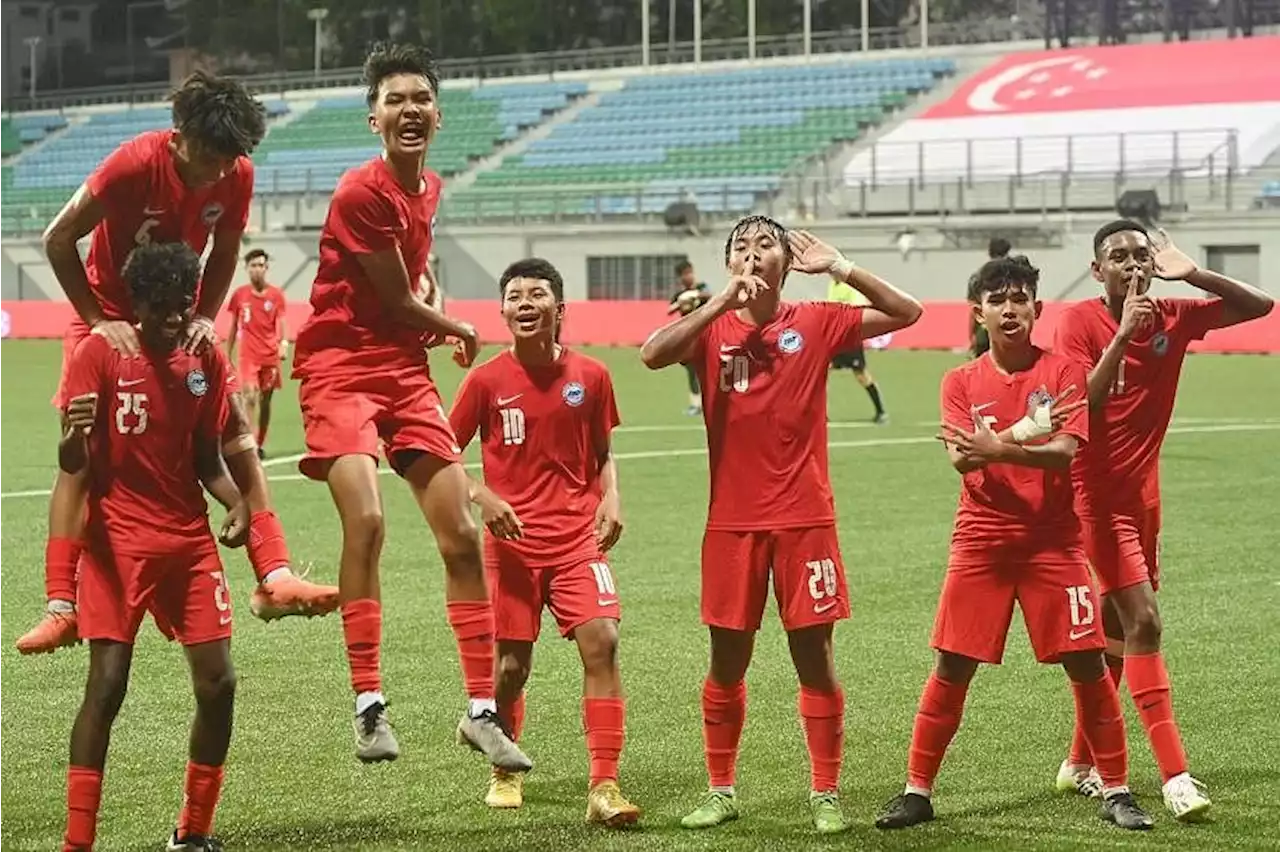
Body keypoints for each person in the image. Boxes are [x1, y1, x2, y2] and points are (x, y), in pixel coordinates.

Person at [16, 70, 335, 657]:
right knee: (81, 452)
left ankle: (274, 574)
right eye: (210, 155)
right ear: (179, 134)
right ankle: (62, 605)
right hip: (110, 316)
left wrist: (206, 318)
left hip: (177, 317)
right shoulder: (131, 165)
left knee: (236, 430)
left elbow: (228, 248)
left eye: (230, 159)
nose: (219, 171)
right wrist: (95, 319)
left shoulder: (236, 173)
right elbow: (59, 238)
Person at [640, 216, 923, 834]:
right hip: (732, 525)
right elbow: (652, 355)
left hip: (805, 519)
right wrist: (720, 302)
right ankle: (721, 789)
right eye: (740, 247)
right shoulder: (711, 327)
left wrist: (841, 268)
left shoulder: (817, 323)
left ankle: (825, 792)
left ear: (787, 263)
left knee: (814, 660)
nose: (753, 253)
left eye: (764, 245)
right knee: (726, 661)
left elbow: (908, 313)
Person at [290, 41, 529, 771]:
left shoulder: (429, 189)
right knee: (366, 519)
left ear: (439, 113)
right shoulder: (360, 191)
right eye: (395, 100)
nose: (410, 110)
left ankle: (482, 712)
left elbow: (412, 280)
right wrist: (454, 326)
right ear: (374, 120)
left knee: (459, 531)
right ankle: (369, 707)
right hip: (338, 367)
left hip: (400, 367)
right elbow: (394, 297)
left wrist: (435, 307)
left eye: (421, 98)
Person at [874, 255, 1152, 832]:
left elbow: (1064, 453)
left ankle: (1118, 789)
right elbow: (958, 457)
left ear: (1036, 309)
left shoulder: (1064, 373)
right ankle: (917, 791)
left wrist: (996, 448)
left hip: (1054, 542)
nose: (1009, 308)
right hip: (981, 541)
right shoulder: (959, 381)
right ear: (978, 312)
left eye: (1019, 298)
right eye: (997, 299)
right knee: (952, 664)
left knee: (1087, 664)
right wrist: (1012, 442)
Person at [57, 242, 275, 852]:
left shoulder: (202, 361)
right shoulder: (98, 354)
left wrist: (235, 500)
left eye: (184, 304)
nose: (175, 317)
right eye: (162, 306)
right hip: (116, 545)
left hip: (187, 543)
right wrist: (73, 435)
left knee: (219, 684)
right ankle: (78, 842)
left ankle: (194, 832)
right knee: (107, 686)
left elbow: (207, 458)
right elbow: (74, 462)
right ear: (138, 302)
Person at [1052, 221, 1273, 820]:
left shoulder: (1174, 314)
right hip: (1092, 498)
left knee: (1116, 626)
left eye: (1140, 255)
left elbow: (1260, 307)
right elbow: (1078, 404)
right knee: (1145, 620)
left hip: (1144, 499)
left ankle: (1079, 762)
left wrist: (1193, 271)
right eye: (1117, 258)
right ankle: (1175, 776)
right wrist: (1123, 336)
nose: (1132, 265)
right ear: (1098, 272)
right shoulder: (1077, 324)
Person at [449, 257, 641, 827]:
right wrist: (484, 498)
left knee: (603, 640)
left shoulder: (593, 376)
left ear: (561, 309)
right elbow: (441, 457)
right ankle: (503, 767)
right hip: (510, 547)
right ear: (503, 311)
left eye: (537, 294)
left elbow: (603, 453)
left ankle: (604, 785)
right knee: (510, 668)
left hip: (579, 539)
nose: (525, 303)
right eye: (514, 295)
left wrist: (612, 497)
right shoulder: (484, 381)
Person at [226, 249, 287, 459]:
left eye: (261, 265)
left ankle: (260, 441)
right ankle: (249, 441)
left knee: (265, 402)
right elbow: (233, 326)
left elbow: (280, 321)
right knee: (249, 396)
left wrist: (283, 343)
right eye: (253, 265)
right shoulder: (240, 295)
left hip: (269, 356)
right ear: (247, 268)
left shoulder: (276, 295)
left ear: (266, 268)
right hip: (248, 356)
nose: (257, 270)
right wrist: (228, 354)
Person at [827, 275, 888, 423]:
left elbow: (856, 309)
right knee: (823, 372)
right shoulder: (832, 285)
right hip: (836, 337)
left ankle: (881, 412)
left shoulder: (850, 286)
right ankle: (821, 415)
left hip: (850, 337)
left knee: (861, 375)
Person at [667, 260, 711, 415]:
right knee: (692, 372)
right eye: (685, 274)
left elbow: (711, 296)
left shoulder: (701, 288)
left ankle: (709, 402)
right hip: (688, 339)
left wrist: (695, 295)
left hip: (706, 336)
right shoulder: (679, 295)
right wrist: (681, 301)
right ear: (680, 278)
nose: (688, 276)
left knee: (709, 370)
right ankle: (695, 404)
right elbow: (669, 310)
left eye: (690, 272)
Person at [968, 238, 1010, 358]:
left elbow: (973, 309)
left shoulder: (977, 277)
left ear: (989, 252)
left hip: (984, 332)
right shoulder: (1014, 278)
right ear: (1007, 252)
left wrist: (972, 336)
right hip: (1007, 333)